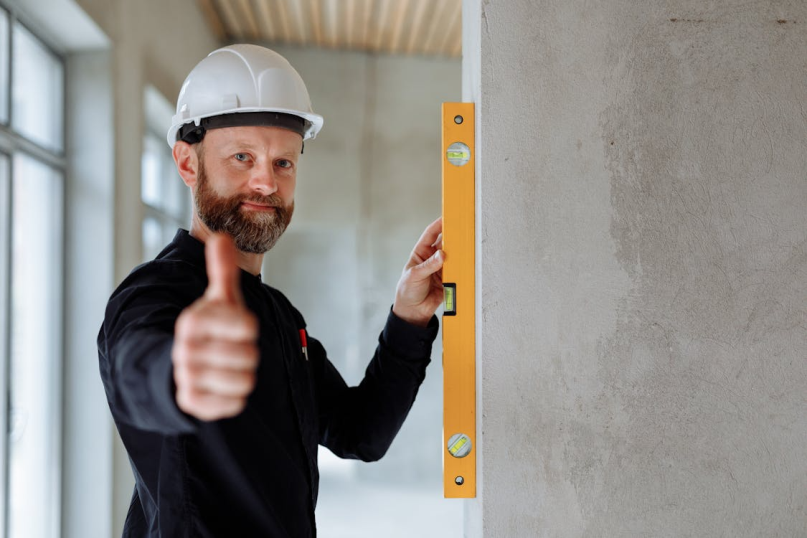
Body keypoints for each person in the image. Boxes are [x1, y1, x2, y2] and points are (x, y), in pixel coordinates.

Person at [97, 44, 444, 537]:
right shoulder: (156, 293)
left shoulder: (281, 317)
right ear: (187, 163)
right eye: (242, 157)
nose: (266, 181)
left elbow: (361, 432)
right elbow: (136, 363)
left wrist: (409, 320)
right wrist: (180, 373)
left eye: (283, 163)